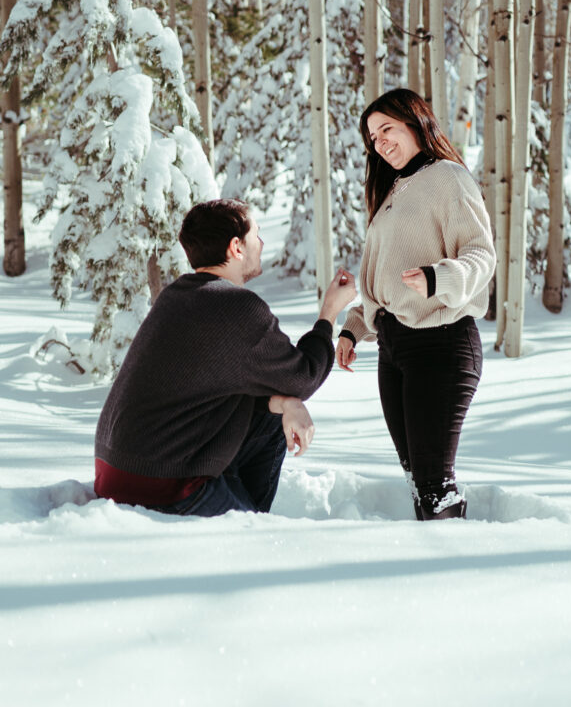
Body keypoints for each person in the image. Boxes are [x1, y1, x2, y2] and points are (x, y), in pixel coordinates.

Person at [95, 198, 356, 517]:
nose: (261, 243)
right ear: (236, 247)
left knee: (268, 412)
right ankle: (247, 529)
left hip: (116, 473)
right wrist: (329, 312)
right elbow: (303, 376)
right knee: (261, 532)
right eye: (256, 235)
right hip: (162, 485)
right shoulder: (238, 308)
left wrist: (287, 403)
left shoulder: (176, 296)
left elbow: (226, 389)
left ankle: (239, 508)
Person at [336, 89, 495, 521]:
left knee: (432, 483)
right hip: (395, 350)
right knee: (416, 477)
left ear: (416, 122)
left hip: (441, 346)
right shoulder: (394, 193)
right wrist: (354, 327)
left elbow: (481, 254)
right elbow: (384, 278)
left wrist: (437, 278)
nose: (379, 142)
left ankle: (451, 570)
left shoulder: (447, 177)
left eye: (387, 128)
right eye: (372, 136)